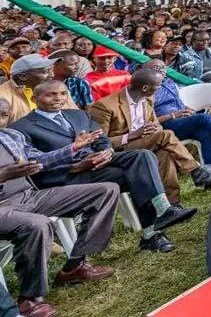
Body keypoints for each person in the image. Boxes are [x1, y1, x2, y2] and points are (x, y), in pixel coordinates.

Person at [11, 81, 194, 254]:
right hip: (67, 178)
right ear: (35, 99)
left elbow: (101, 138)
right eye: (51, 95)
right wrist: (75, 166)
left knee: (143, 156)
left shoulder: (78, 115)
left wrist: (106, 152)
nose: (58, 98)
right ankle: (152, 232)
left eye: (62, 94)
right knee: (138, 174)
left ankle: (162, 211)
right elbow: (33, 165)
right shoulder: (22, 127)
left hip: (98, 165)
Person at [0, 96, 117, 317]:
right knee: (38, 225)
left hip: (29, 196)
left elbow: (41, 160)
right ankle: (30, 298)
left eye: (3, 115)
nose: (0, 120)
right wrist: (3, 175)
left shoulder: (10, 136)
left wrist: (73, 148)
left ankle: (75, 265)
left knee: (106, 190)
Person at [88, 68, 211, 203]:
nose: (160, 88)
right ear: (145, 88)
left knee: (164, 154)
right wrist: (132, 135)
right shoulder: (104, 106)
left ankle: (172, 202)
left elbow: (156, 125)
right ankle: (197, 171)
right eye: (158, 86)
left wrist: (155, 128)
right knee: (166, 135)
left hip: (145, 142)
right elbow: (100, 142)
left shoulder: (148, 98)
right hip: (120, 150)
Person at [148, 60, 211, 167]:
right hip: (168, 126)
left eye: (163, 68)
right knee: (203, 118)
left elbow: (179, 103)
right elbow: (150, 121)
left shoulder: (170, 83)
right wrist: (174, 115)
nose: (161, 71)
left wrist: (187, 109)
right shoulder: (147, 92)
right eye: (157, 68)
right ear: (146, 71)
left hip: (184, 120)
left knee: (206, 134)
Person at [0, 55, 77, 123]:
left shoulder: (58, 89)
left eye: (51, 70)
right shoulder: (3, 96)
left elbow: (75, 115)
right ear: (23, 77)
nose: (52, 75)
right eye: (46, 71)